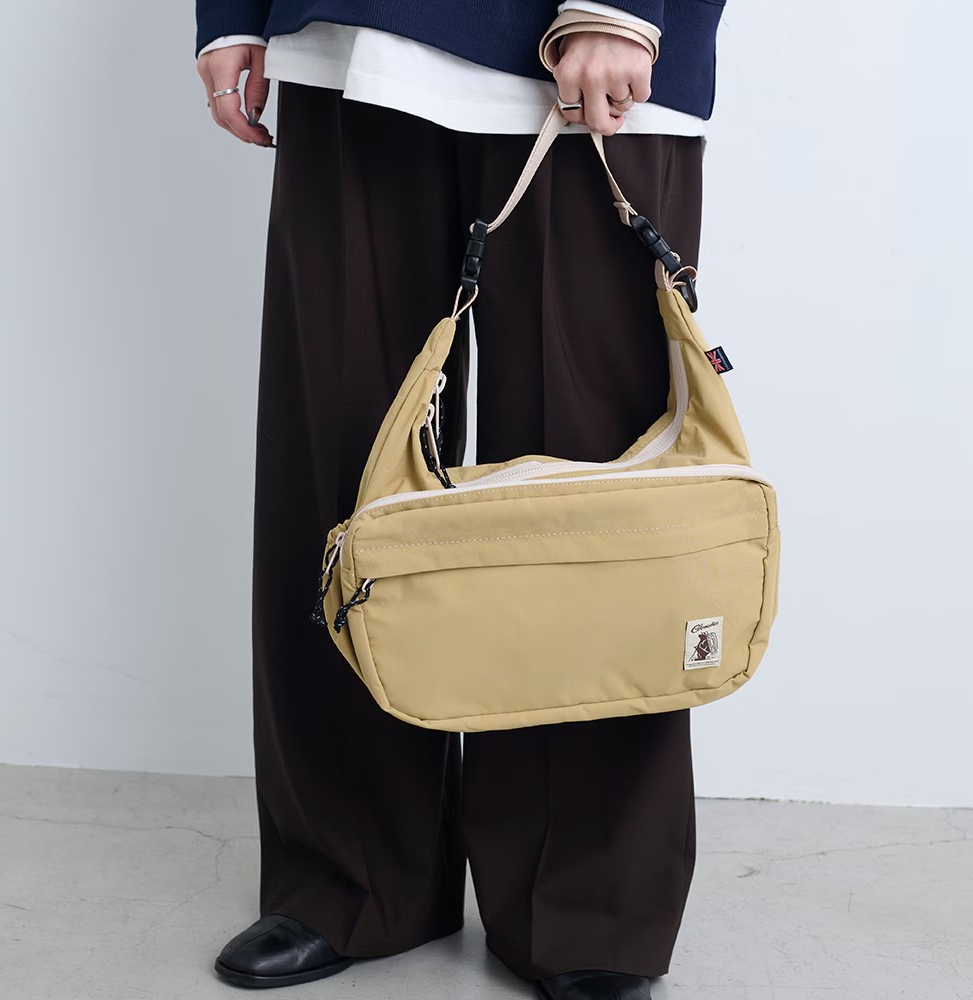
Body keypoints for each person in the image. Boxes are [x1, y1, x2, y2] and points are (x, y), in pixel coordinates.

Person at [194, 3, 726, 998]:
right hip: (349, 38)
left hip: (594, 48)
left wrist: (623, 8)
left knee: (592, 504)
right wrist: (231, 11)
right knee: (343, 467)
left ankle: (585, 904)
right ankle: (350, 873)